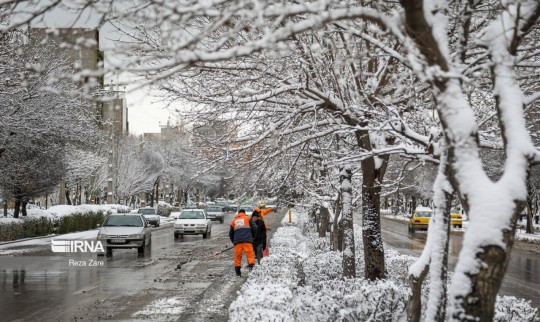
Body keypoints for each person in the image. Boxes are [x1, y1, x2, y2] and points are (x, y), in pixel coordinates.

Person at [229, 209, 257, 277]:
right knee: (250, 255)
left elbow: (230, 233)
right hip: (247, 241)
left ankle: (238, 273)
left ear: (238, 213)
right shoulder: (248, 218)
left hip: (237, 242)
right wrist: (253, 236)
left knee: (237, 257)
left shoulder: (233, 221)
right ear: (244, 213)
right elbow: (255, 227)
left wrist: (234, 241)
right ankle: (251, 269)